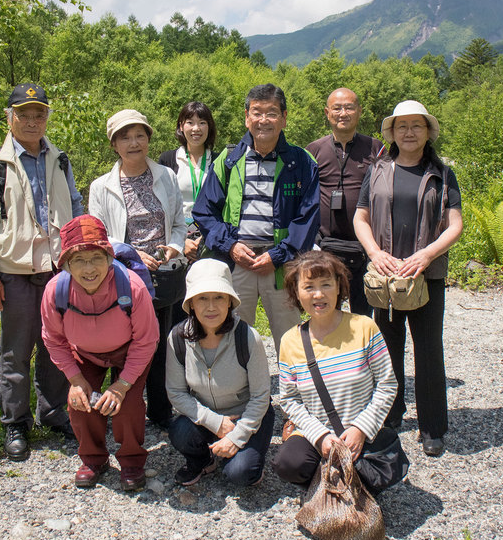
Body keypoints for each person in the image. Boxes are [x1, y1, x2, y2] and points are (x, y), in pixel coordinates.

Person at [0, 83, 82, 461]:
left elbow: (77, 212)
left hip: (57, 273)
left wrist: (81, 262)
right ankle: (14, 423)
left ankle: (51, 412)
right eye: (24, 115)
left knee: (56, 347)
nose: (32, 122)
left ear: (47, 116)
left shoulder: (60, 160)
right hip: (14, 275)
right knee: (16, 352)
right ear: (10, 118)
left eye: (39, 114)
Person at [353, 100, 463, 456]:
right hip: (385, 275)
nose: (410, 132)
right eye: (403, 126)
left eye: (417, 125)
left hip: (425, 275)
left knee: (428, 348)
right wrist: (375, 253)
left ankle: (432, 426)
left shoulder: (442, 173)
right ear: (393, 133)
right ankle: (390, 414)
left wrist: (427, 255)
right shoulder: (378, 169)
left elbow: (455, 224)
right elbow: (361, 217)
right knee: (386, 348)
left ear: (427, 131)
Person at [193, 83, 320, 353]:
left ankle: (293, 391)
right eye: (257, 112)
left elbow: (308, 216)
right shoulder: (228, 159)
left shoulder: (302, 161)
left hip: (281, 265)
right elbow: (204, 211)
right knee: (234, 337)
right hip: (238, 263)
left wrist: (279, 254)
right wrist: (230, 246)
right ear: (247, 117)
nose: (264, 120)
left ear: (284, 118)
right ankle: (242, 394)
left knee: (291, 338)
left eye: (272, 113)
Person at [40, 215, 157, 491]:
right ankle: (94, 459)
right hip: (84, 353)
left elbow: (146, 340)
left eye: (96, 257)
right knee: (79, 402)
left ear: (109, 256)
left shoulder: (133, 287)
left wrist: (122, 384)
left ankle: (131, 461)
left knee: (127, 405)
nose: (89, 268)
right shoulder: (55, 292)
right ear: (66, 264)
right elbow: (53, 339)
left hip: (130, 351)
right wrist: (75, 379)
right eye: (79, 260)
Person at [88, 109, 187, 429]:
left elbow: (178, 223)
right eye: (125, 137)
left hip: (165, 275)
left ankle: (160, 409)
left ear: (149, 139)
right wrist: (132, 254)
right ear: (114, 144)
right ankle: (122, 411)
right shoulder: (101, 187)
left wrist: (174, 244)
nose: (134, 143)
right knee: (125, 344)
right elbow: (98, 236)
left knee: (160, 344)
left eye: (140, 135)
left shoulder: (166, 176)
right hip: (124, 277)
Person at [272, 251, 397, 487]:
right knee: (288, 463)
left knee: (373, 477)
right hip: (318, 432)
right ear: (296, 293)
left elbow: (387, 384)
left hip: (359, 430)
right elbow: (289, 399)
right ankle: (324, 480)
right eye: (308, 287)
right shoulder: (290, 340)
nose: (318, 294)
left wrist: (361, 429)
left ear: (339, 287)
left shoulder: (364, 327)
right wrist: (320, 437)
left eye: (326, 284)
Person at [165, 259, 273, 486]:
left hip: (246, 416)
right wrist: (215, 423)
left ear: (230, 302)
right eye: (202, 298)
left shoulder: (248, 337)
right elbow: (176, 392)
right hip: (204, 417)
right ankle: (203, 461)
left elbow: (261, 396)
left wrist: (236, 436)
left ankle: (241, 456)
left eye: (219, 297)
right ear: (191, 303)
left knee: (240, 473)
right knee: (179, 431)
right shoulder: (178, 338)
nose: (211, 307)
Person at [306, 88, 383, 315]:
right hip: (326, 246)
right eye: (337, 108)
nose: (343, 113)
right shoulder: (314, 150)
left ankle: (362, 352)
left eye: (349, 107)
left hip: (365, 247)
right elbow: (304, 199)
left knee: (364, 316)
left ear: (359, 111)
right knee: (326, 313)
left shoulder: (376, 149)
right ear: (327, 113)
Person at [157, 101, 219, 325]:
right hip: (177, 240)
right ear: (180, 126)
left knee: (207, 303)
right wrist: (181, 240)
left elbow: (226, 205)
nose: (196, 128)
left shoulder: (220, 160)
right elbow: (161, 206)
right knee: (178, 306)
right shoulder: (167, 160)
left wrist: (206, 239)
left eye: (202, 122)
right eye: (190, 122)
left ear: (209, 127)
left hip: (210, 240)